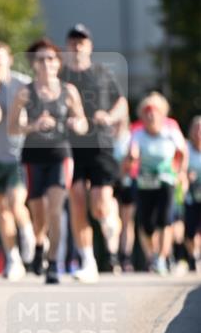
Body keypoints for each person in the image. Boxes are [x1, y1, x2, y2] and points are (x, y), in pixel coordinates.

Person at [8, 38, 87, 284]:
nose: (46, 63)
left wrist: (76, 124)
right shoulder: (25, 92)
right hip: (32, 157)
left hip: (60, 156)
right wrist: (33, 125)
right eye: (41, 59)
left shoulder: (69, 91)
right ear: (34, 64)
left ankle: (54, 263)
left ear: (58, 63)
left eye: (51, 58)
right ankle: (39, 244)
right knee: (38, 214)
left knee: (55, 209)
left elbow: (84, 124)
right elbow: (12, 128)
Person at [61, 24, 128, 282]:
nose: (78, 45)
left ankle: (110, 219)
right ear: (68, 46)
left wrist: (110, 117)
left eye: (82, 41)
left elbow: (121, 103)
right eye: (73, 41)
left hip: (100, 144)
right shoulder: (62, 76)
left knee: (99, 204)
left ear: (89, 46)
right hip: (71, 146)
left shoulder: (102, 73)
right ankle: (88, 260)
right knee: (77, 200)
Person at [0, 42, 36, 280]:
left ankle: (26, 231)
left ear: (10, 59)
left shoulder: (22, 83)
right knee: (2, 212)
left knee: (16, 204)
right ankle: (13, 258)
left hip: (16, 158)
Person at [124, 93, 186, 275]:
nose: (151, 116)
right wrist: (132, 157)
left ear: (162, 114)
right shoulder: (137, 133)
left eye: (155, 112)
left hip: (167, 180)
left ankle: (161, 258)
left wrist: (180, 173)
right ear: (142, 116)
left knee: (164, 220)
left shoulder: (171, 129)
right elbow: (132, 151)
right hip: (144, 182)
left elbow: (182, 152)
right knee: (146, 225)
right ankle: (152, 254)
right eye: (147, 112)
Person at [111, 113, 137, 271]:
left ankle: (125, 257)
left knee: (127, 222)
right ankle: (112, 255)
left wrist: (122, 170)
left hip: (127, 182)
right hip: (112, 183)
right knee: (114, 220)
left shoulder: (130, 137)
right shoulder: (109, 137)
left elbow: (133, 158)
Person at [184, 116, 201, 272]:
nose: (199, 133)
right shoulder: (186, 148)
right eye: (196, 129)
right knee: (190, 230)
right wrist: (186, 176)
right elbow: (178, 167)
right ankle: (193, 255)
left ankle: (198, 256)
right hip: (190, 196)